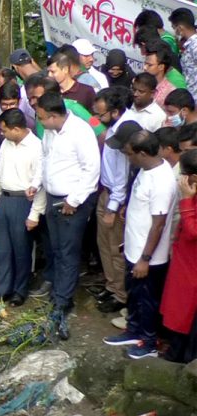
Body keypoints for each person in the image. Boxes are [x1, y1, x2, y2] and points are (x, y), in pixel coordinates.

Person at [103, 130, 176, 359]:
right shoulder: (145, 169)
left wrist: (145, 259)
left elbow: (158, 224)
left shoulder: (162, 180)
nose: (127, 158)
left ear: (143, 153)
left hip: (149, 258)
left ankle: (149, 342)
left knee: (147, 301)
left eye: (129, 154)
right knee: (134, 296)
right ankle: (133, 331)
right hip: (134, 249)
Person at [36, 92, 100, 340]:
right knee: (57, 249)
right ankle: (59, 291)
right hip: (53, 198)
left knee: (69, 250)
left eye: (42, 118)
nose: (40, 122)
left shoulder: (80, 132)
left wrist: (73, 201)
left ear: (53, 116)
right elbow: (45, 159)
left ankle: (64, 300)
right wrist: (37, 183)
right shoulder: (51, 132)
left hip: (71, 201)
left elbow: (92, 170)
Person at [0, 109, 46, 306]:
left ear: (16, 129)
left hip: (24, 202)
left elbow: (41, 183)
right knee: (4, 250)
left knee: (21, 250)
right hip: (5, 199)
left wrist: (35, 214)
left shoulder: (37, 147)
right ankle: (4, 288)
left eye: (4, 130)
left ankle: (20, 290)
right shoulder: (6, 143)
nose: (2, 134)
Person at [93, 91, 138, 314]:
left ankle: (121, 294)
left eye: (101, 115)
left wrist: (113, 207)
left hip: (115, 198)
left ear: (115, 111)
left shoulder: (125, 131)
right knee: (104, 244)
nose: (98, 119)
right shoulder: (115, 126)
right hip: (106, 192)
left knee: (115, 249)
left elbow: (122, 176)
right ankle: (111, 286)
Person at [160, 149, 197, 363]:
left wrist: (186, 200)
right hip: (184, 258)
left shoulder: (189, 195)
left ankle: (181, 356)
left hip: (192, 264)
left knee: (186, 310)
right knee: (178, 306)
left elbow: (194, 232)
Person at [168, 8, 197, 99]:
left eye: (174, 28)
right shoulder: (188, 45)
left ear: (180, 28)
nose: (174, 33)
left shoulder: (195, 45)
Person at [143, 41, 178, 109]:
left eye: (149, 65)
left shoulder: (170, 93)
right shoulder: (139, 83)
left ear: (161, 67)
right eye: (145, 63)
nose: (144, 68)